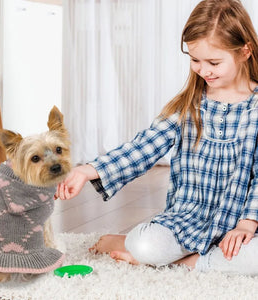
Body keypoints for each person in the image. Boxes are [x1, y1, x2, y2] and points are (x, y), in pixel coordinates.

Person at [56, 0, 258, 275]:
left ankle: (186, 264)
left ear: (244, 51)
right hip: (188, 219)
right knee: (145, 245)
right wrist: (88, 170)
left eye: (214, 62)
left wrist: (247, 222)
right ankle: (159, 255)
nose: (203, 70)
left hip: (241, 225)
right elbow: (143, 148)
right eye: (195, 60)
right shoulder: (188, 106)